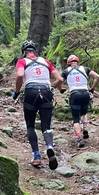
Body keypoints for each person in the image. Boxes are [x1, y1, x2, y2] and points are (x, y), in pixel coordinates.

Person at [12, 40, 64, 169]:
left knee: (30, 125)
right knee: (46, 125)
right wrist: (50, 87)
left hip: (31, 92)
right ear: (34, 51)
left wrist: (16, 92)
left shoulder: (22, 61)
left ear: (24, 52)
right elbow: (60, 79)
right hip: (46, 92)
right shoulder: (45, 61)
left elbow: (19, 75)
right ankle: (50, 146)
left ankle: (36, 156)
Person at [60, 55, 99, 147]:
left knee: (75, 119)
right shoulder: (85, 69)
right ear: (77, 61)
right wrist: (92, 88)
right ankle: (85, 127)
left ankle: (79, 137)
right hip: (85, 93)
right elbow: (97, 77)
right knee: (83, 113)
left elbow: (59, 81)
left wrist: (60, 89)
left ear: (68, 63)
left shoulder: (66, 71)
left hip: (74, 94)